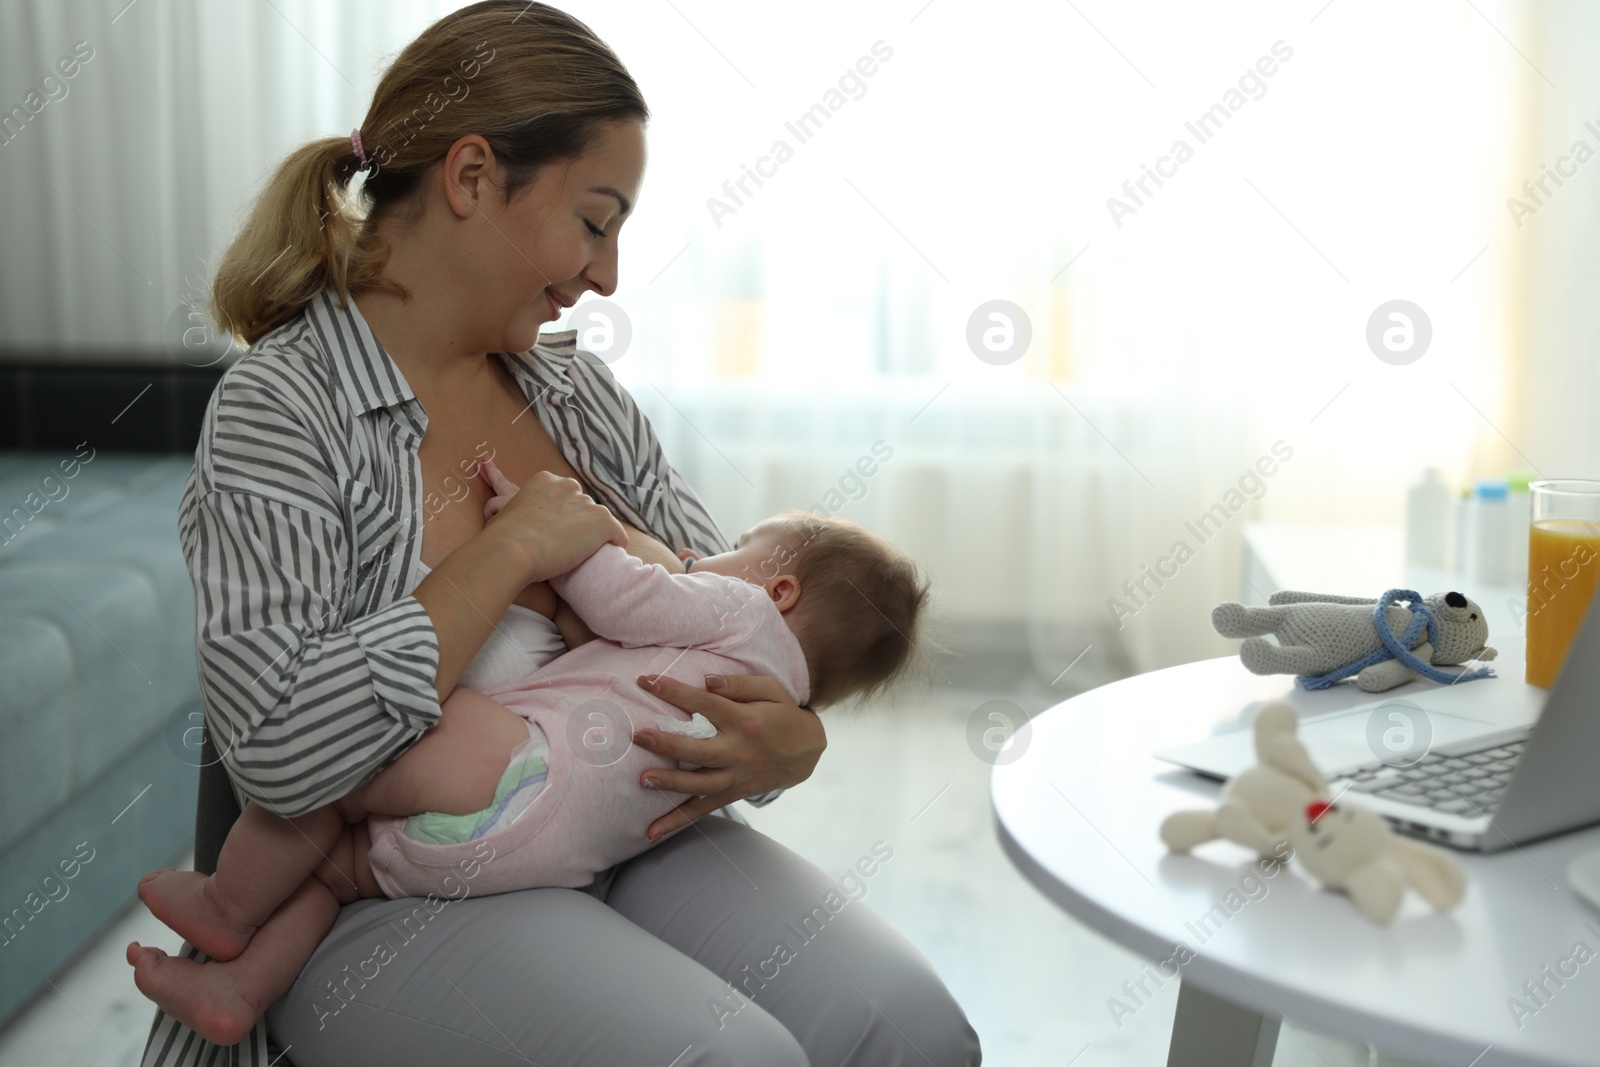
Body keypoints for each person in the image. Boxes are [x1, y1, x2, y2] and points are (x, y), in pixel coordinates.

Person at [138, 3, 982, 1064]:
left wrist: (788, 740)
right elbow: (279, 745)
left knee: (903, 1027)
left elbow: (725, 628)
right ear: (474, 177)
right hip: (370, 875)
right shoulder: (285, 408)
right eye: (595, 220)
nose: (609, 273)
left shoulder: (576, 398)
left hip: (605, 830)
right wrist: (505, 552)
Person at [129, 498, 930, 1047]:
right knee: (341, 871)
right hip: (562, 842)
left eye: (732, 551)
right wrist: (800, 722)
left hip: (520, 760)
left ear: (777, 588)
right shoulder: (774, 671)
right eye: (593, 234)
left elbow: (626, 593)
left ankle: (229, 906)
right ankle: (239, 991)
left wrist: (545, 528)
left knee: (338, 769)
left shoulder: (738, 605)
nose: (698, 554)